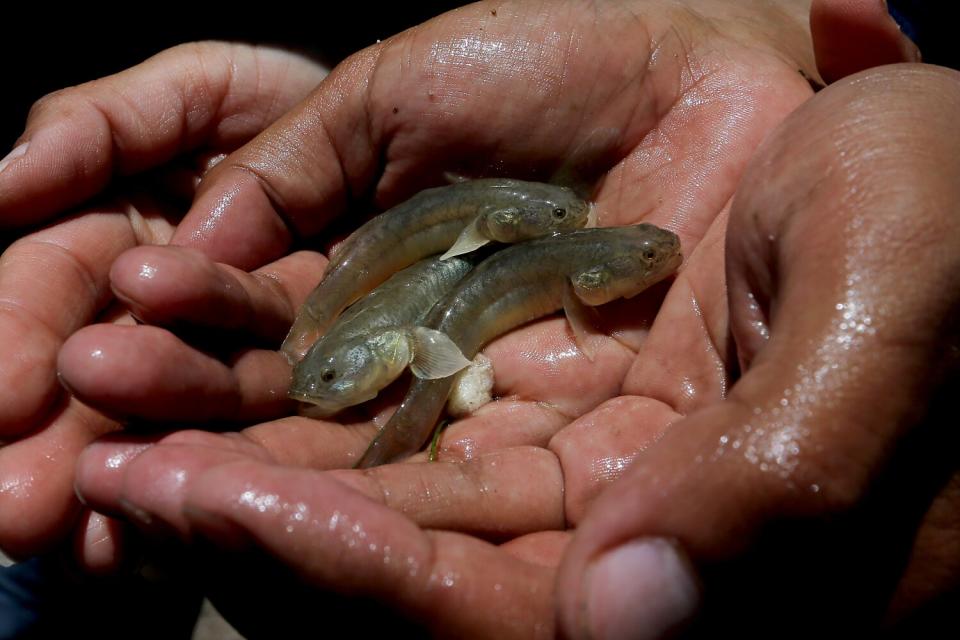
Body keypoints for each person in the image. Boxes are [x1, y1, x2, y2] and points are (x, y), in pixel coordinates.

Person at [1, 0, 956, 637]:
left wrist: (783, 36)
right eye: (643, 258)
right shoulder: (521, 257)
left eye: (653, 256)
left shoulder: (571, 249)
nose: (655, 262)